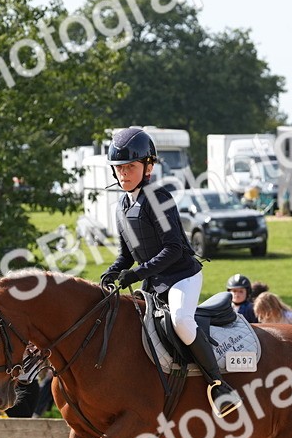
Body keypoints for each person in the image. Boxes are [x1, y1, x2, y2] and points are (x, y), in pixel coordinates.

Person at [99, 127, 241, 416]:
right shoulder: (122, 205)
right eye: (119, 168)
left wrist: (137, 275)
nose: (124, 174)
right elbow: (126, 255)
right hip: (153, 282)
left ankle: (219, 384)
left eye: (130, 167)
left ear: (147, 167)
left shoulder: (158, 198)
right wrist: (113, 272)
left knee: (181, 320)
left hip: (181, 277)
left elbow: (174, 249)